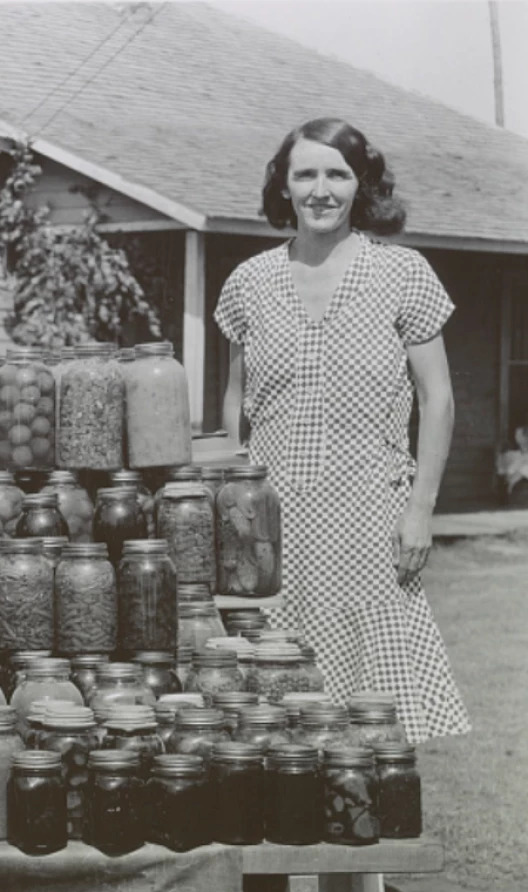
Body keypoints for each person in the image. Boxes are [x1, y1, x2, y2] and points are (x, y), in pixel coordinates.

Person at [216, 116, 471, 745]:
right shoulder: (249, 282)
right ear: (284, 186)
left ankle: (367, 827)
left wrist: (421, 511)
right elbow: (234, 406)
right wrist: (234, 516)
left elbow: (437, 400)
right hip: (272, 526)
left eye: (338, 174)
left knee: (372, 720)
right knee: (274, 696)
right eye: (306, 174)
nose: (321, 190)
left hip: (369, 515)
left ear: (363, 186)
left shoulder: (403, 273)